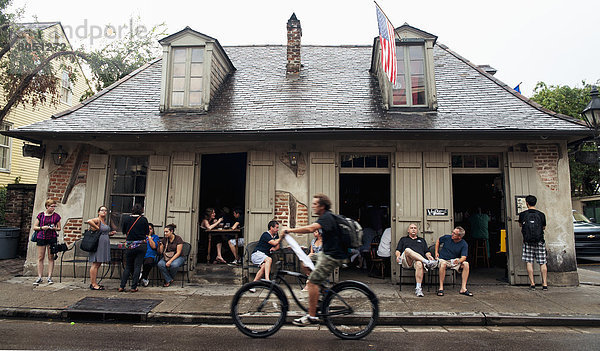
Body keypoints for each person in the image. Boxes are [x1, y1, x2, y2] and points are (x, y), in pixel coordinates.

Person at [283, 193, 348, 327]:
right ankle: (322, 291)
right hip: (327, 254)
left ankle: (311, 316)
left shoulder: (326, 217)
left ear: (322, 206)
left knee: (311, 283)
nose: (313, 206)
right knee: (306, 260)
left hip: (333, 256)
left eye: (315, 204)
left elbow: (311, 228)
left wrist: (290, 230)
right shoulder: (325, 217)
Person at [395, 223, 438, 297]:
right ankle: (427, 262)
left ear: (417, 230)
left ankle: (418, 289)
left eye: (415, 228)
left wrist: (429, 256)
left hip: (418, 261)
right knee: (408, 250)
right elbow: (398, 250)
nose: (413, 229)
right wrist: (398, 256)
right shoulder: (403, 239)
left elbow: (426, 252)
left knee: (419, 263)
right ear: (408, 230)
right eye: (411, 228)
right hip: (407, 260)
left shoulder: (422, 240)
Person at [518, 195, 548, 290]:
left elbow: (520, 225)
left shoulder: (523, 215)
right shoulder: (541, 214)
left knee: (529, 262)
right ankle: (545, 284)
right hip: (539, 241)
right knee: (542, 263)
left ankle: (532, 283)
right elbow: (543, 227)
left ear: (526, 203)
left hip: (528, 242)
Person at [119, 204, 149, 292]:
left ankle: (122, 286)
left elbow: (124, 231)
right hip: (140, 244)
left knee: (128, 266)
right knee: (137, 266)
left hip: (129, 244)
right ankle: (133, 287)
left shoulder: (126, 219)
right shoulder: (143, 220)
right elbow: (146, 232)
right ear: (141, 210)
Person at [435, 226, 472, 297]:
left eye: (454, 234)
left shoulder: (464, 244)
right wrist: (436, 252)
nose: (452, 234)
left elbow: (464, 257)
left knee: (466, 264)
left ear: (459, 237)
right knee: (443, 264)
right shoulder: (447, 237)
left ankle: (463, 288)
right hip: (444, 259)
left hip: (454, 260)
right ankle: (441, 288)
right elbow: (438, 241)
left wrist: (459, 261)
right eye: (453, 232)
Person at [32, 199, 62, 286]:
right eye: (52, 206)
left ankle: (49, 277)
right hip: (41, 237)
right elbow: (35, 227)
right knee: (40, 257)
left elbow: (59, 228)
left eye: (54, 206)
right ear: (47, 206)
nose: (53, 208)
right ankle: (40, 276)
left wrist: (54, 228)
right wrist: (42, 228)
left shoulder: (56, 216)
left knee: (50, 257)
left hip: (51, 237)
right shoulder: (41, 215)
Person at [86, 205, 116, 290]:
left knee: (98, 263)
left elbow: (104, 232)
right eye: (102, 210)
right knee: (95, 263)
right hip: (98, 243)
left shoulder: (105, 221)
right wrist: (97, 228)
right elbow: (89, 221)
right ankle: (93, 283)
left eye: (105, 210)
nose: (104, 212)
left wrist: (110, 233)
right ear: (99, 212)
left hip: (104, 242)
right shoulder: (97, 220)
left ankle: (95, 282)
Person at [140, 223, 161, 287]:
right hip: (141, 255)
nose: (149, 230)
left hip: (150, 256)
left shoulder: (155, 237)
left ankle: (144, 277)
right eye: (147, 229)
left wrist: (149, 237)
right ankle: (141, 277)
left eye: (150, 229)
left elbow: (154, 246)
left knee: (148, 261)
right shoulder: (141, 236)